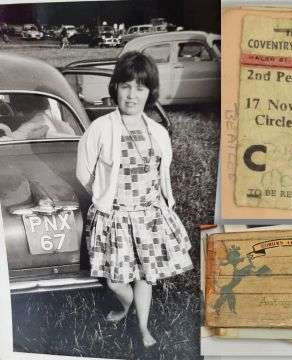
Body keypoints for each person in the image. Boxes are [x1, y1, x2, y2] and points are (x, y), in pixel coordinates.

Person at [76, 51, 193, 348]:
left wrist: (161, 203)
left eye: (140, 88)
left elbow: (161, 174)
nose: (132, 95)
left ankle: (142, 327)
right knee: (116, 279)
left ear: (149, 92)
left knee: (145, 275)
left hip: (149, 217)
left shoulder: (157, 132)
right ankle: (125, 305)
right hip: (114, 217)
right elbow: (83, 174)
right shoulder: (100, 129)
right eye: (126, 86)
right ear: (115, 87)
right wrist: (105, 200)